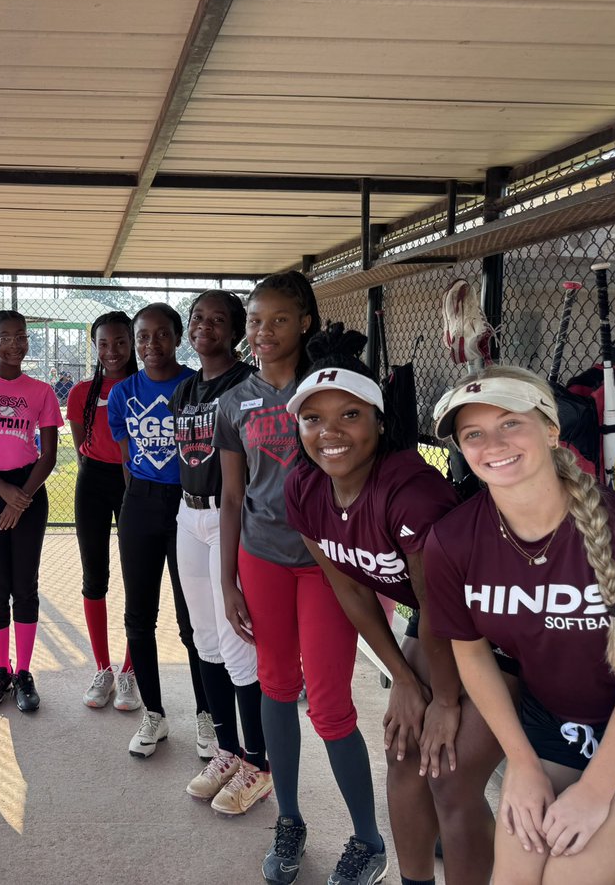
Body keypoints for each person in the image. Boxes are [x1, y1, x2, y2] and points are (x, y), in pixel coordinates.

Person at [425, 365, 615, 884]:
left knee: (568, 877)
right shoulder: (453, 540)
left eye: (511, 422)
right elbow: (470, 655)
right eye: (473, 434)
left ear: (552, 430)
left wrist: (595, 791)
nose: (493, 443)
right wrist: (523, 767)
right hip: (553, 723)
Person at [285, 323, 506, 885]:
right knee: (404, 751)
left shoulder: (410, 490)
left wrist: (446, 701)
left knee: (448, 772)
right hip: (444, 626)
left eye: (350, 415)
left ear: (380, 423)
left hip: (503, 628)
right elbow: (350, 588)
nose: (329, 433)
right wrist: (404, 681)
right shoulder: (304, 488)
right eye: (314, 418)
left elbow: (443, 605)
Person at [214, 273, 387, 885]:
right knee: (275, 688)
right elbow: (233, 495)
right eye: (255, 320)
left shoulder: (332, 391)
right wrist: (230, 579)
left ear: (307, 322)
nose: (263, 332)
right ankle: (290, 820)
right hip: (261, 561)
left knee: (333, 705)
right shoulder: (236, 399)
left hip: (328, 565)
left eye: (278, 320)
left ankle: (368, 839)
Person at [171, 290, 269, 815]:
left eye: (218, 319)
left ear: (235, 331)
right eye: (198, 318)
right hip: (189, 515)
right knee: (203, 638)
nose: (205, 326)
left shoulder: (246, 386)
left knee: (236, 641)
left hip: (230, 516)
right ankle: (227, 750)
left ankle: (259, 760)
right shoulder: (186, 388)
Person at [108, 302, 215, 760]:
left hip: (188, 506)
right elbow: (128, 452)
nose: (152, 345)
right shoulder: (123, 392)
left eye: (162, 335)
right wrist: (142, 502)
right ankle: (154, 713)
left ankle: (207, 715)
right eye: (143, 337)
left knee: (194, 621)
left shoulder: (195, 387)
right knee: (139, 615)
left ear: (178, 337)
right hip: (141, 504)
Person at [0, 310, 61, 712]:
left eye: (22, 337)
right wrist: (5, 493)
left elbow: (50, 453)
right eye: (7, 337)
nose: (16, 343)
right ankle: (0, 669)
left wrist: (22, 496)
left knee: (25, 585)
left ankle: (23, 672)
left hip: (29, 490)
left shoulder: (41, 391)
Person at [66, 311, 140, 710]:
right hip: (94, 481)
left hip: (137, 484)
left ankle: (130, 671)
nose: (112, 351)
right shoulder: (82, 392)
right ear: (95, 347)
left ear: (132, 343)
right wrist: (96, 474)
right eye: (103, 344)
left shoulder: (144, 387)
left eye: (120, 342)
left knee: (136, 579)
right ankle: (103, 668)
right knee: (95, 576)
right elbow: (82, 446)